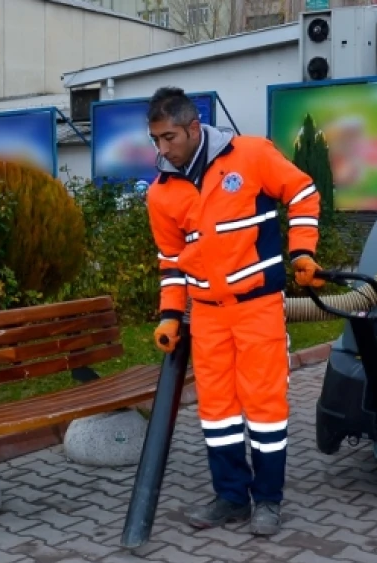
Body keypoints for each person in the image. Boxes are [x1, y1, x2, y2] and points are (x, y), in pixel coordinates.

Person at [144, 86, 324, 536]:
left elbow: (303, 192)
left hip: (257, 308)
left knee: (265, 406)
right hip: (206, 316)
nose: (162, 149)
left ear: (191, 128)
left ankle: (267, 500)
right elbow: (171, 264)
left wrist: (303, 251)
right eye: (156, 140)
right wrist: (170, 314)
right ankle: (230, 497)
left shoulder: (251, 155)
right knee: (218, 412)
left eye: (169, 138)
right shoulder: (161, 194)